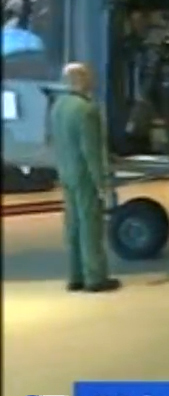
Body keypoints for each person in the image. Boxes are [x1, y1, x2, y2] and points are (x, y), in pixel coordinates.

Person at [50, 62, 121, 293]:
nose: (94, 81)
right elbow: (91, 152)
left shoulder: (58, 106)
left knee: (72, 225)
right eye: (89, 77)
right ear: (80, 80)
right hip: (84, 177)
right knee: (91, 226)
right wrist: (102, 182)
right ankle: (95, 277)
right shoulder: (87, 110)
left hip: (66, 172)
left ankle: (75, 275)